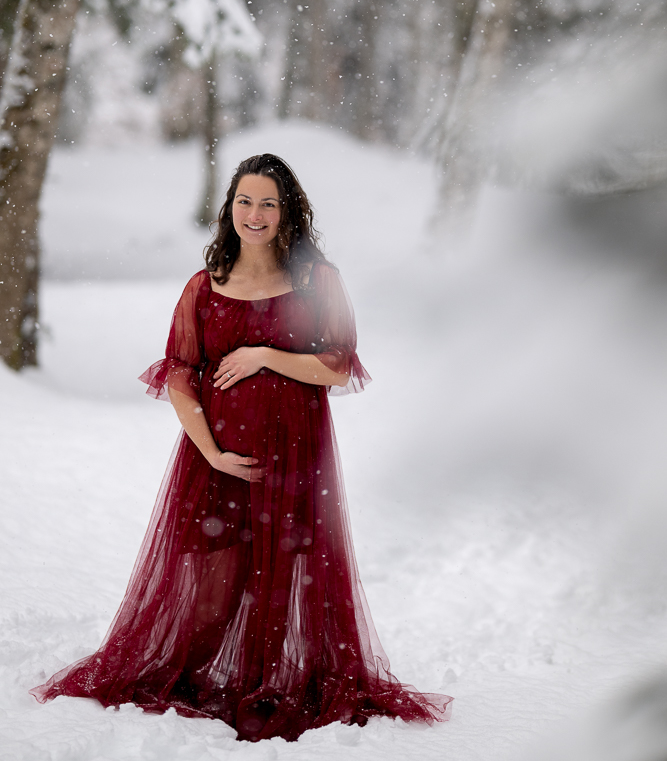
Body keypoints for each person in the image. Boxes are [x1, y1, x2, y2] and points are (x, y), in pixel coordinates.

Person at [32, 154, 452, 741]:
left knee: (285, 572)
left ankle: (271, 685)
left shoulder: (316, 280)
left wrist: (265, 355)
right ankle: (202, 676)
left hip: (297, 455)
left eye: (268, 203)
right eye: (245, 201)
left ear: (289, 212)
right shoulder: (203, 287)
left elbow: (337, 366)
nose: (254, 214)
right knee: (213, 575)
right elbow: (180, 373)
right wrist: (210, 452)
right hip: (217, 457)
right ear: (229, 208)